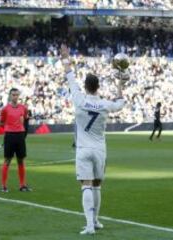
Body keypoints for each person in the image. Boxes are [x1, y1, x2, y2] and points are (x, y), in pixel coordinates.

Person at [61, 44, 126, 235]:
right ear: (98, 87)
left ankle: (90, 225)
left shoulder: (79, 99)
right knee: (97, 185)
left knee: (86, 185)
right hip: (99, 149)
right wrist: (120, 83)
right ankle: (96, 221)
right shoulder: (105, 104)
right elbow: (120, 103)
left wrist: (65, 57)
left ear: (86, 87)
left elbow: (69, 75)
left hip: (83, 149)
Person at [0, 88, 31, 192]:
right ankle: (3, 186)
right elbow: (1, 122)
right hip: (9, 135)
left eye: (17, 95)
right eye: (13, 95)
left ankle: (22, 185)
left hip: (20, 136)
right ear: (10, 96)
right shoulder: (5, 109)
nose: (15, 97)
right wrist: (10, 128)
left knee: (21, 160)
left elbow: (25, 119)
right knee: (7, 160)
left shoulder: (23, 108)